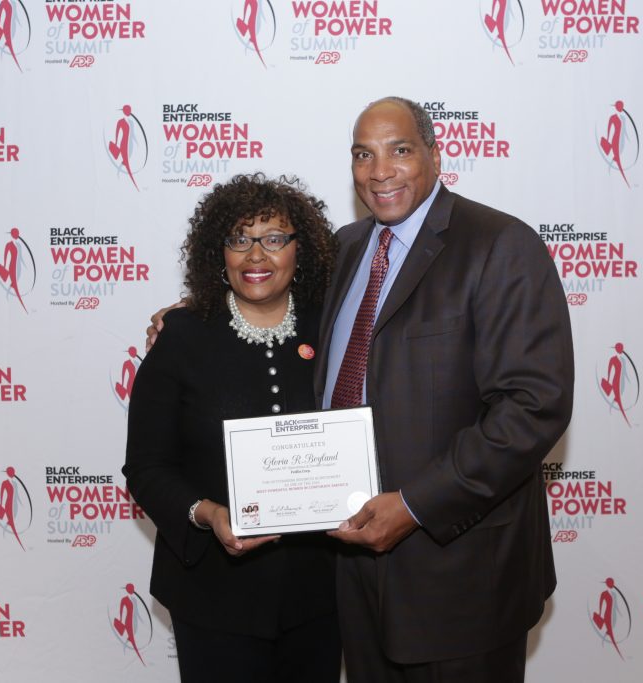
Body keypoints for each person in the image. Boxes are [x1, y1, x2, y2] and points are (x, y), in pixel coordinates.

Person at [148, 98, 574, 683]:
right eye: (363, 155)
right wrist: (189, 315)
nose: (380, 171)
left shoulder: (499, 245)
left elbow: (532, 406)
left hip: (459, 574)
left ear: (434, 154)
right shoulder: (345, 250)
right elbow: (266, 294)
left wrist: (415, 504)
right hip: (351, 576)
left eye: (399, 150)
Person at [124, 173, 341, 683]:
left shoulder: (333, 327)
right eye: (239, 239)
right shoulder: (181, 337)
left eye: (274, 238)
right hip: (212, 592)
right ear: (217, 252)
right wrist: (208, 513)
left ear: (300, 249)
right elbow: (147, 467)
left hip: (320, 590)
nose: (255, 255)